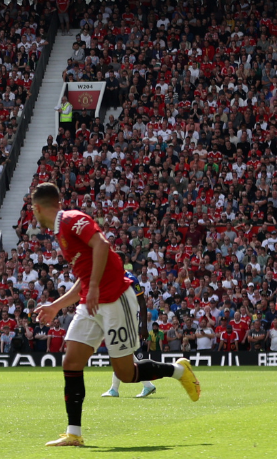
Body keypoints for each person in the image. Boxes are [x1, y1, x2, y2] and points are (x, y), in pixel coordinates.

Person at [27, 183, 198, 447]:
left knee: (127, 374)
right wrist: (56, 305)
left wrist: (94, 286)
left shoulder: (72, 219)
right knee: (71, 361)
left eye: (32, 209)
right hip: (90, 303)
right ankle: (74, 433)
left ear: (37, 207)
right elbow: (84, 278)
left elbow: (103, 245)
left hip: (115, 298)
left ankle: (178, 370)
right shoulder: (60, 231)